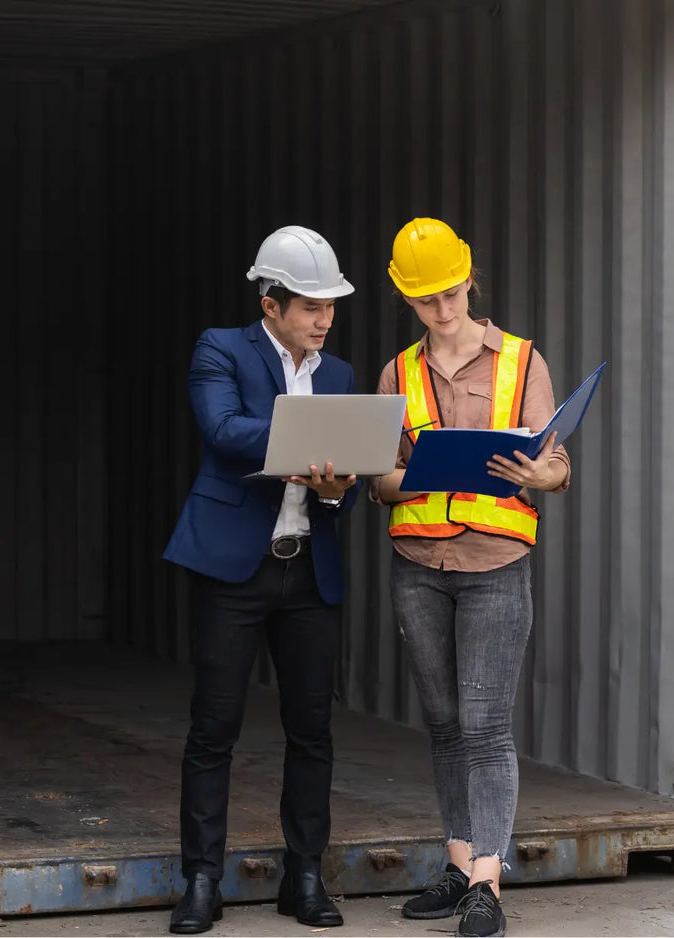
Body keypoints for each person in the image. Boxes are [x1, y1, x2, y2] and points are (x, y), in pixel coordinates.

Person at [371, 218, 571, 938]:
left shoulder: (521, 361)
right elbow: (380, 477)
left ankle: (488, 882)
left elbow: (557, 465)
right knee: (446, 726)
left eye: (451, 293)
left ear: (470, 279)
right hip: (419, 568)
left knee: (486, 727)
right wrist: (402, 477)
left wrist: (536, 472)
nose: (442, 309)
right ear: (408, 298)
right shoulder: (398, 373)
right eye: (427, 300)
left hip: (495, 566)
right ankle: (458, 866)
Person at [163, 225, 362, 934]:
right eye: (310, 306)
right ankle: (202, 881)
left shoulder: (338, 375)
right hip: (233, 572)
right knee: (213, 728)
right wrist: (312, 439)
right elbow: (223, 429)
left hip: (309, 569)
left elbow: (348, 478)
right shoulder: (221, 347)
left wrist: (339, 486)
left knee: (311, 730)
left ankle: (304, 877)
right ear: (270, 304)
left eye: (331, 307)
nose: (323, 319)